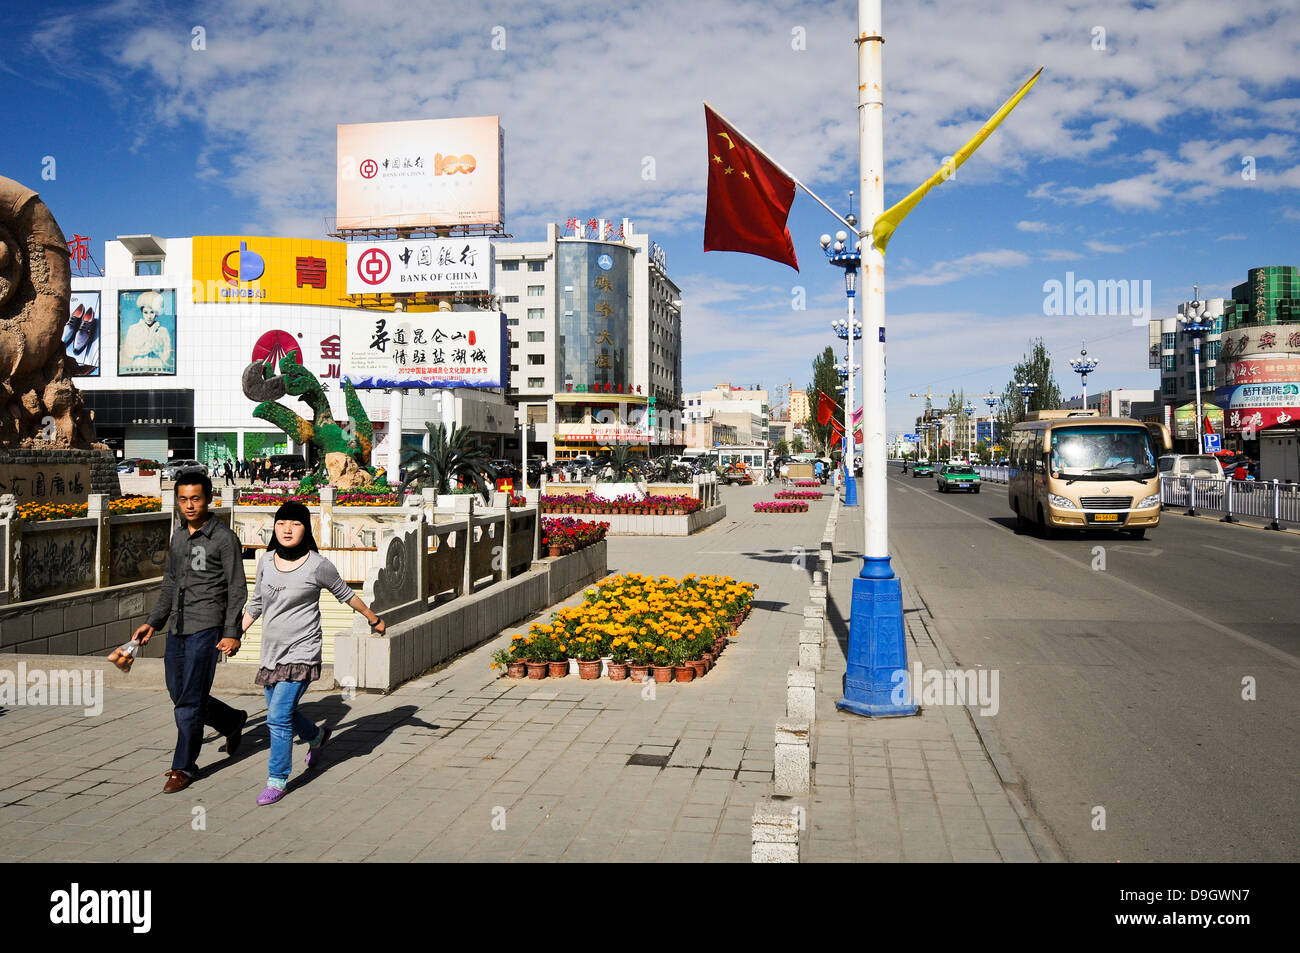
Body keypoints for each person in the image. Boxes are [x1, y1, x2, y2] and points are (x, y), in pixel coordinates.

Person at [240, 502, 386, 805]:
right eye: (281, 524)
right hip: (271, 654)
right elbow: (256, 603)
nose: (287, 529)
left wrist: (373, 618)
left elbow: (346, 593)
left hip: (303, 651)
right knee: (286, 713)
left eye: (295, 523)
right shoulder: (266, 560)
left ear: (306, 529)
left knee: (277, 718)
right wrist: (234, 634)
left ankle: (277, 779)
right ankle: (317, 738)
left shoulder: (317, 565)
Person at [134, 471, 248, 794]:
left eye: (195, 498)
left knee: (187, 702)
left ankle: (183, 765)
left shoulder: (224, 538)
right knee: (180, 692)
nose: (189, 505)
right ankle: (231, 721)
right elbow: (170, 584)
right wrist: (153, 622)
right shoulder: (179, 537)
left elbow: (237, 587)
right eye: (183, 499)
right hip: (177, 627)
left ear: (209, 499)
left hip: (207, 627)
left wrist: (232, 631)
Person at [121, 290, 173, 373]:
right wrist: (143, 351)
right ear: (141, 312)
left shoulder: (163, 331)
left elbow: (167, 353)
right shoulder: (133, 329)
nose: (149, 316)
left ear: (156, 313)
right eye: (145, 312)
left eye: (152, 312)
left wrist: (156, 351)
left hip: (157, 368)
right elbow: (128, 351)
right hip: (138, 368)